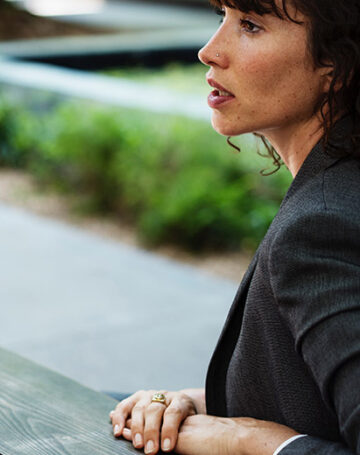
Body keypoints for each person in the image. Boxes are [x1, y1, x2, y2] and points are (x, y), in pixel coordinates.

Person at [108, 0, 360, 454]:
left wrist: (247, 442)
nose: (209, 51)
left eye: (250, 25)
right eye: (220, 17)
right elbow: (309, 400)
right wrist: (185, 401)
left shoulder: (321, 229)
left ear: (337, 65)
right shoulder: (337, 187)